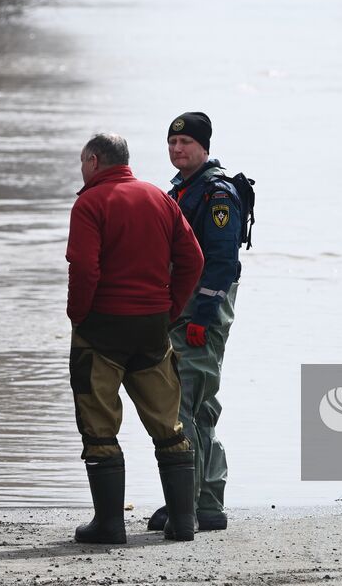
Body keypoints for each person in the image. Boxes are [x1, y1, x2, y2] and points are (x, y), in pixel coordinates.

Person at [65, 133, 205, 543]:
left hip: (102, 329)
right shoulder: (160, 198)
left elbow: (84, 268)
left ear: (93, 161)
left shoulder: (90, 202)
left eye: (82, 162)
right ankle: (183, 522)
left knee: (99, 426)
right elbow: (193, 259)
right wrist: (171, 308)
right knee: (169, 425)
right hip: (151, 328)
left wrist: (79, 315)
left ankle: (109, 524)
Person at [147, 112, 242, 533]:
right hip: (182, 311)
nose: (177, 148)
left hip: (201, 313)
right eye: (172, 142)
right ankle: (196, 499)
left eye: (185, 142)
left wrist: (202, 317)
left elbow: (222, 264)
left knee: (188, 404)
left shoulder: (216, 194)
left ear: (204, 146)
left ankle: (196, 503)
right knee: (192, 405)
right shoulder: (184, 189)